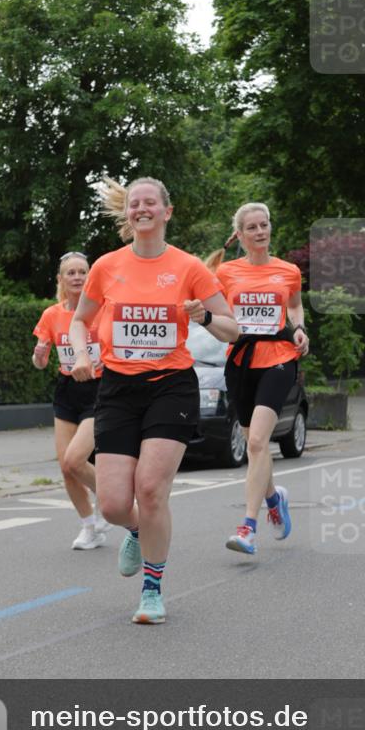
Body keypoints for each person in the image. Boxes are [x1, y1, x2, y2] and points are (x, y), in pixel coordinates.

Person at [69, 177, 238, 624]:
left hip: (171, 386)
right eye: (135, 204)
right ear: (129, 214)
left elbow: (232, 329)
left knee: (150, 489)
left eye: (151, 203)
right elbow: (78, 322)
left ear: (167, 212)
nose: (142, 209)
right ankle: (135, 529)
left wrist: (203, 316)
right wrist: (84, 354)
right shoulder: (107, 266)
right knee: (112, 503)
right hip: (118, 390)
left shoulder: (188, 268)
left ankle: (151, 589)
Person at [205, 204, 309, 556]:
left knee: (258, 442)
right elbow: (216, 312)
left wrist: (299, 330)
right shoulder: (225, 272)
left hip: (279, 358)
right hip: (240, 361)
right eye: (252, 227)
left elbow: (294, 307)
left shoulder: (289, 271)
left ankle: (247, 527)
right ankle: (274, 499)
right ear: (241, 234)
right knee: (255, 444)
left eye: (264, 225)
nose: (261, 231)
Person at [32, 251, 110, 550]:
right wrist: (39, 356)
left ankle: (109, 495)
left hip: (99, 388)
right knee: (66, 467)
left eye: (82, 272)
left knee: (75, 459)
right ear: (61, 279)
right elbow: (40, 361)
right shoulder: (52, 314)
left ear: (90, 277)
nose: (77, 277)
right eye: (71, 273)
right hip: (67, 390)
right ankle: (89, 527)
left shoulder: (103, 310)